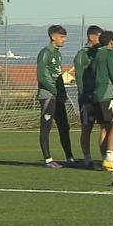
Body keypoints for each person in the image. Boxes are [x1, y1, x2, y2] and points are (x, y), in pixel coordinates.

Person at [37, 24, 79, 169]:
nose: (64, 40)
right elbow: (42, 76)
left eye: (65, 37)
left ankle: (70, 157)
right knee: (46, 127)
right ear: (53, 37)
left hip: (58, 96)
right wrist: (54, 90)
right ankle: (48, 159)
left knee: (64, 126)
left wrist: (62, 92)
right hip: (48, 96)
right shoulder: (45, 52)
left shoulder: (57, 54)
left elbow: (58, 76)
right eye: (62, 37)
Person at [91, 31, 113, 171]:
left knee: (105, 127)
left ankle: (105, 157)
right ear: (112, 42)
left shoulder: (97, 54)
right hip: (108, 93)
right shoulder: (110, 53)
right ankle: (110, 158)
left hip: (98, 93)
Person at [72, 25, 105, 169]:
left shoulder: (100, 53)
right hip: (87, 99)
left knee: (105, 125)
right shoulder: (82, 54)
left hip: (100, 97)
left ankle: (105, 157)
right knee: (87, 128)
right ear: (91, 37)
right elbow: (79, 77)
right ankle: (87, 158)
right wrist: (84, 97)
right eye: (99, 36)